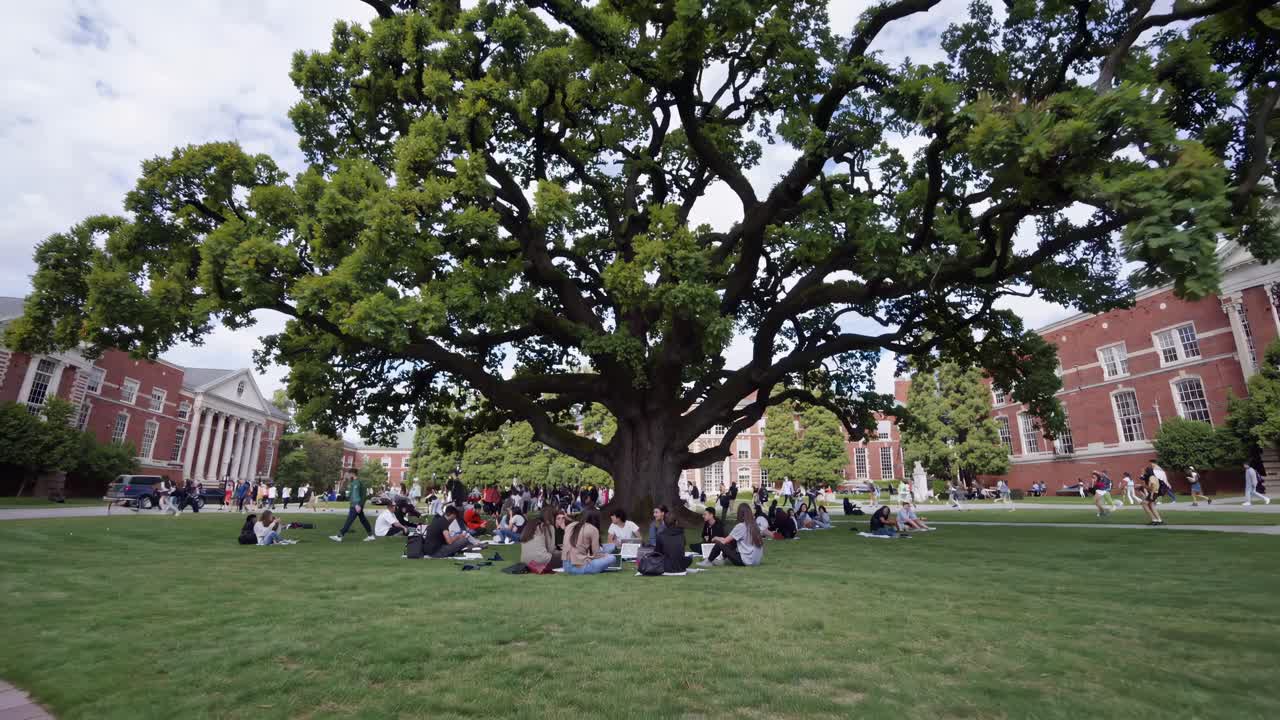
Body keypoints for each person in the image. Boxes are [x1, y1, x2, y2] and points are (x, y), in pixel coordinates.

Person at [700, 503, 764, 567]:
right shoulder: (755, 526)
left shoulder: (741, 526)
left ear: (740, 514)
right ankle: (722, 559)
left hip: (746, 561)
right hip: (756, 561)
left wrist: (716, 538)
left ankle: (708, 561)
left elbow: (724, 541)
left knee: (720, 543)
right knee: (733, 541)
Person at [562, 510, 617, 575]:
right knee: (612, 558)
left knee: (609, 547)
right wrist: (605, 555)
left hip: (565, 566)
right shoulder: (593, 529)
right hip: (580, 567)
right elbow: (596, 555)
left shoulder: (569, 526)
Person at [329, 474, 376, 543]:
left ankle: (340, 536)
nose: (347, 476)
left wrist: (357, 505)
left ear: (352, 474)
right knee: (363, 520)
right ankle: (371, 535)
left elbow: (356, 495)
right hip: (356, 505)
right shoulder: (356, 482)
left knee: (350, 520)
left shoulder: (356, 483)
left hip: (355, 505)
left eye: (348, 475)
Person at [1139, 461, 1164, 525]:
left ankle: (1154, 520)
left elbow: (1153, 486)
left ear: (1148, 472)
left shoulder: (1151, 477)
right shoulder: (1154, 477)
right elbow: (1150, 486)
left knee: (1144, 504)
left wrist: (1151, 495)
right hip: (1155, 492)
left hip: (1153, 493)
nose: (1145, 473)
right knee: (1151, 505)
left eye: (1145, 472)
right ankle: (1159, 520)